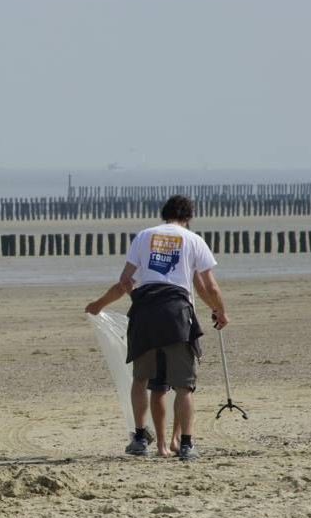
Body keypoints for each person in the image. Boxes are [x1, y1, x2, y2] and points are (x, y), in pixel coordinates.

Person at [85, 195, 228, 461]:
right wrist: (220, 311)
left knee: (145, 380)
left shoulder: (144, 236)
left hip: (145, 311)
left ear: (164, 214)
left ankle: (140, 437)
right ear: (189, 217)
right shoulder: (194, 240)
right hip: (177, 312)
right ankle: (185, 444)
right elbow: (209, 287)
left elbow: (125, 282)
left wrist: (98, 304)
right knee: (184, 386)